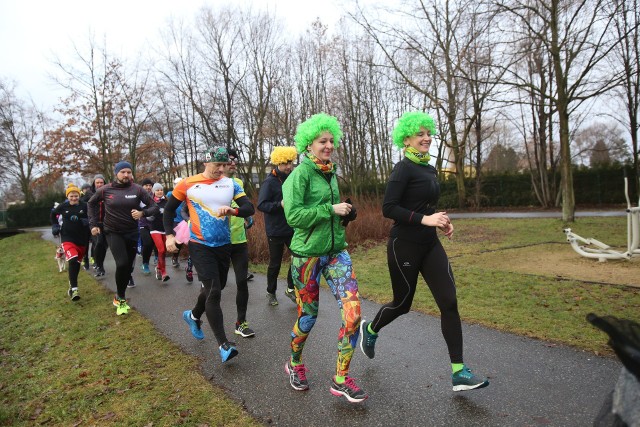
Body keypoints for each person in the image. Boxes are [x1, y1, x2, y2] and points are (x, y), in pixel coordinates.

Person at [358, 111, 489, 392]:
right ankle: (370, 330)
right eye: (420, 134)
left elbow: (424, 207)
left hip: (429, 243)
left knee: (449, 301)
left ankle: (459, 372)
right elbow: (389, 208)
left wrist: (440, 221)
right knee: (402, 303)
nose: (427, 138)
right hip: (403, 244)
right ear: (406, 139)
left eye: (429, 133)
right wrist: (425, 219)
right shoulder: (402, 168)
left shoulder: (428, 168)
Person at [281, 113, 366, 403]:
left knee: (353, 313)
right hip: (306, 257)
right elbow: (294, 217)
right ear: (308, 144)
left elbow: (333, 215)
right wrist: (330, 210)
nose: (328, 145)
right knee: (308, 316)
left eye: (331, 140)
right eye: (322, 141)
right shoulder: (299, 175)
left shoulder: (330, 172)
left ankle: (341, 378)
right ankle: (295, 363)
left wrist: (346, 215)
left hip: (336, 253)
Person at [163, 146, 255, 363]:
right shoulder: (187, 184)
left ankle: (193, 315)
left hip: (224, 245)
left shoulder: (230, 184)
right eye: (217, 165)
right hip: (200, 244)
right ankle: (224, 345)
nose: (221, 169)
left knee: (216, 286)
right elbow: (168, 210)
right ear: (206, 163)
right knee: (214, 292)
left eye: (225, 165)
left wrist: (234, 211)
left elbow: (248, 207)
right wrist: (169, 236)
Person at [88, 161, 159, 316]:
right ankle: (120, 298)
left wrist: (142, 213)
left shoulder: (137, 189)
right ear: (116, 173)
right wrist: (93, 224)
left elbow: (154, 206)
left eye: (128, 172)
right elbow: (91, 203)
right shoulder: (106, 190)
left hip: (132, 232)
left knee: (128, 267)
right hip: (113, 232)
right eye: (123, 172)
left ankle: (119, 295)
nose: (126, 175)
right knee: (122, 263)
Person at [257, 146, 297, 306]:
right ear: (278, 163)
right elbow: (261, 205)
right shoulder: (269, 182)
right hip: (275, 230)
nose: (289, 166)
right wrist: (279, 204)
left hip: (292, 227)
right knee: (275, 263)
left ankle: (290, 288)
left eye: (290, 162)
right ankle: (271, 292)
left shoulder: (292, 178)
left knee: (298, 258)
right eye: (285, 163)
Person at [223, 148, 255, 338]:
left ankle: (241, 323)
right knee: (215, 287)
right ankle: (196, 315)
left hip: (239, 239)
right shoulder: (208, 184)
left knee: (242, 281)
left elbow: (245, 205)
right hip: (217, 242)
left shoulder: (238, 183)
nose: (233, 162)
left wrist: (245, 217)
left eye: (235, 159)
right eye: (229, 159)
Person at [50, 183, 91, 301]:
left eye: (76, 196)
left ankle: (71, 284)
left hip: (82, 239)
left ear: (79, 195)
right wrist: (55, 226)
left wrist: (87, 221)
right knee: (72, 260)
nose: (74, 198)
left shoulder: (85, 206)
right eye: (71, 196)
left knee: (76, 263)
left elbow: (92, 215)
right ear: (68, 196)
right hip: (67, 238)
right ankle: (74, 290)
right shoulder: (63, 206)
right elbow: (53, 214)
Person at [86, 174, 107, 277]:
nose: (99, 184)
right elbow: (86, 207)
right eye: (97, 182)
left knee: (104, 246)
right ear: (94, 183)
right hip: (94, 224)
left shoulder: (108, 193)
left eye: (101, 182)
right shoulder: (89, 194)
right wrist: (92, 223)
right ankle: (98, 265)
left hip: (106, 224)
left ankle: (101, 264)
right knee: (98, 243)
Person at [149, 182, 170, 282]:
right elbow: (147, 214)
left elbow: (171, 213)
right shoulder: (151, 201)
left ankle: (158, 267)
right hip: (154, 229)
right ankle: (164, 272)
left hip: (165, 229)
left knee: (164, 251)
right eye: (157, 190)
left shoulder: (166, 201)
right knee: (161, 250)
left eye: (161, 190)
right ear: (154, 192)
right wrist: (151, 216)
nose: (159, 191)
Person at [138, 178, 156, 276]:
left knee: (151, 244)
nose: (148, 187)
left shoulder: (154, 196)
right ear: (142, 186)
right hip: (143, 224)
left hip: (154, 225)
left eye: (150, 185)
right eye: (146, 185)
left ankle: (150, 259)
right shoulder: (139, 197)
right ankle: (145, 264)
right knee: (147, 243)